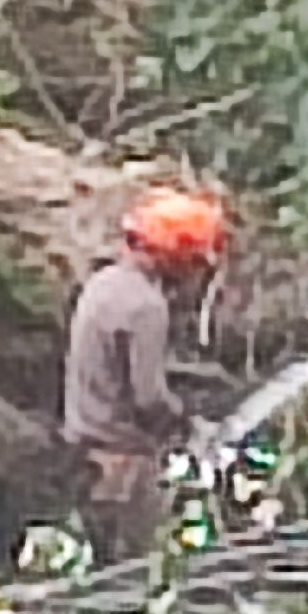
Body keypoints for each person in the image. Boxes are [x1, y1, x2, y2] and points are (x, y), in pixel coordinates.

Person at [60, 183, 231, 563]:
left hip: (85, 454)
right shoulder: (146, 307)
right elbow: (148, 397)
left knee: (97, 566)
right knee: (135, 572)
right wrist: (189, 426)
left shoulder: (102, 284)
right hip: (124, 467)